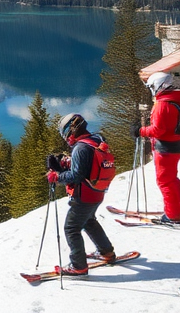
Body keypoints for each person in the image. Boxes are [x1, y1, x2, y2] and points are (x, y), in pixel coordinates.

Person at [46, 112, 117, 276]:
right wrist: (65, 165)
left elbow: (77, 176)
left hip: (83, 196)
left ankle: (78, 266)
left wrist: (57, 176)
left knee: (71, 228)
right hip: (97, 192)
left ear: (70, 130)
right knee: (89, 221)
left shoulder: (80, 148)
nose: (65, 137)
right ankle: (107, 252)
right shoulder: (96, 140)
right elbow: (87, 167)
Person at [133, 71, 180, 225]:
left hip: (165, 148)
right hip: (176, 145)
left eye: (152, 86)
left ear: (159, 86)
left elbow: (158, 130)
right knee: (171, 178)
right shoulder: (177, 100)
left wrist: (140, 131)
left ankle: (173, 216)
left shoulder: (163, 104)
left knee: (164, 181)